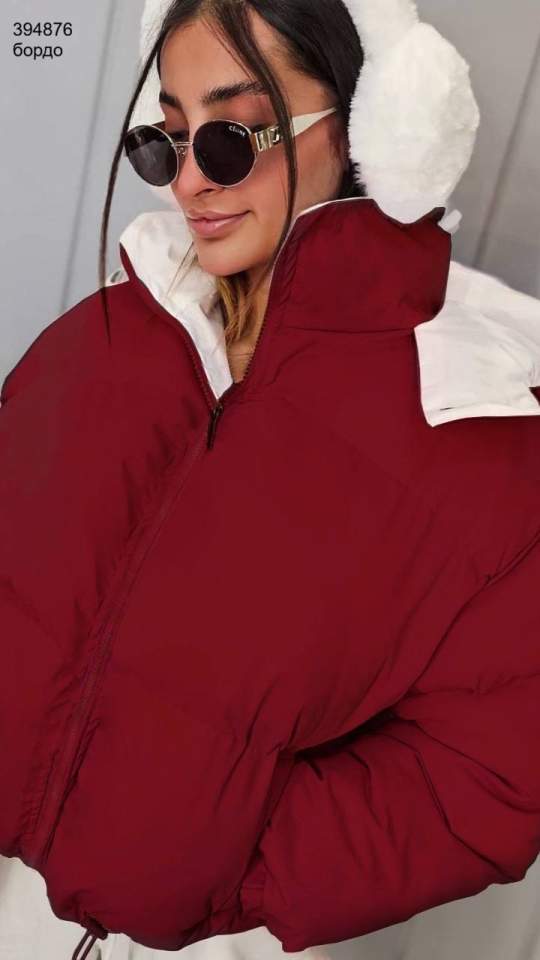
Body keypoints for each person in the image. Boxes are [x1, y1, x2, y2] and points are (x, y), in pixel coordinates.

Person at [1, 3, 540, 960]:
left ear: (373, 126)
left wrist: (224, 872)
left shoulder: (473, 428)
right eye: (167, 141)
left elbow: (487, 776)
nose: (190, 183)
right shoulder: (98, 344)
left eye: (231, 137)